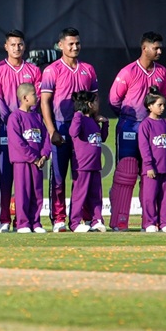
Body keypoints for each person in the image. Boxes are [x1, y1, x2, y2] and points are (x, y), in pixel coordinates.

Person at [107, 32, 166, 232]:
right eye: (155, 48)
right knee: (126, 174)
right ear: (144, 48)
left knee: (151, 175)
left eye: (160, 48)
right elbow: (114, 101)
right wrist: (130, 119)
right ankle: (119, 221)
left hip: (152, 128)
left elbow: (163, 98)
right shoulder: (128, 72)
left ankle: (150, 223)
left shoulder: (162, 73)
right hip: (130, 126)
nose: (159, 51)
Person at [40, 28, 99, 232]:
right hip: (61, 126)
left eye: (77, 43)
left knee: (81, 174)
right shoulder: (52, 70)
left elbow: (95, 99)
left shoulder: (88, 69)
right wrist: (52, 131)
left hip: (83, 129)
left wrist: (95, 120)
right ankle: (58, 219)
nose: (75, 47)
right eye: (70, 44)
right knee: (58, 175)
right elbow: (45, 102)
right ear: (60, 45)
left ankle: (83, 218)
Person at [0, 30, 42, 233]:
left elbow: (37, 99)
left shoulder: (33, 70)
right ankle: (4, 220)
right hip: (5, 127)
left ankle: (27, 221)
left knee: (30, 178)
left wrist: (28, 121)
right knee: (5, 174)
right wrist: (1, 126)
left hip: (30, 127)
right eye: (13, 44)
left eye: (20, 44)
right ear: (6, 47)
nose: (17, 48)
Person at [5, 83, 47, 233]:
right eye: (34, 94)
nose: (37, 96)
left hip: (37, 162)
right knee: (23, 193)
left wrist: (44, 155)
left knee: (37, 192)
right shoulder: (15, 117)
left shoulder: (37, 117)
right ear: (25, 98)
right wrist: (33, 158)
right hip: (22, 162)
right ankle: (22, 223)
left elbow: (45, 137)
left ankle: (35, 222)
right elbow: (17, 142)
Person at [68, 91, 108, 233]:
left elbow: (102, 138)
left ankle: (96, 220)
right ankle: (75, 222)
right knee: (79, 195)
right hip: (82, 166)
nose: (98, 105)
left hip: (95, 165)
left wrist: (105, 124)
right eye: (95, 102)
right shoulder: (79, 118)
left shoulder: (93, 121)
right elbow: (73, 132)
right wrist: (78, 114)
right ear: (89, 104)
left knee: (96, 195)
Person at [138, 93, 166, 233]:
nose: (162, 108)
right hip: (151, 170)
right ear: (150, 106)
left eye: (164, 105)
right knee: (149, 198)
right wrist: (148, 165)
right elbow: (144, 147)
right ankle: (149, 223)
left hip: (165, 168)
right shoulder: (145, 124)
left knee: (165, 198)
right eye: (159, 105)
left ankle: (165, 223)